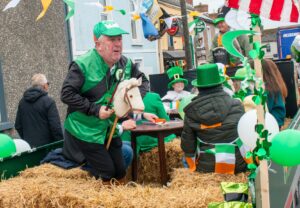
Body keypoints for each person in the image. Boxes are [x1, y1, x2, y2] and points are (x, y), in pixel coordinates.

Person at [61, 20, 156, 182]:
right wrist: (95, 110)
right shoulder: (82, 65)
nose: (117, 44)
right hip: (85, 129)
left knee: (119, 171)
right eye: (111, 40)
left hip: (109, 126)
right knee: (107, 171)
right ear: (98, 45)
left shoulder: (125, 63)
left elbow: (143, 81)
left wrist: (131, 99)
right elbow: (66, 94)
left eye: (119, 39)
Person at [181, 64, 247, 174]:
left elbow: (187, 146)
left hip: (207, 168)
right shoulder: (237, 105)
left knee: (184, 159)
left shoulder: (190, 112)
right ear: (220, 84)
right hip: (237, 165)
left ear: (198, 87)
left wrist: (191, 167)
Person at [15, 73, 63, 148]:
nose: (48, 85)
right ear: (44, 85)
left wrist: (27, 140)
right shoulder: (48, 101)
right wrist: (60, 145)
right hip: (47, 148)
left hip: (29, 148)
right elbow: (55, 127)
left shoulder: (22, 102)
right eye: (48, 83)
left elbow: (18, 125)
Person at [249, 59, 288, 128]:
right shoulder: (274, 87)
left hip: (270, 126)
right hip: (272, 124)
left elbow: (273, 111)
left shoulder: (269, 90)